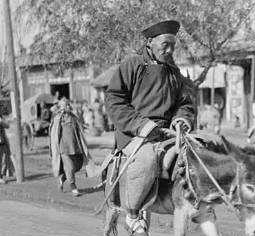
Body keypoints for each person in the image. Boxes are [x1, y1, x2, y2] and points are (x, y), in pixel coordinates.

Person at [105, 20, 197, 236]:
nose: (170, 50)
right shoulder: (132, 65)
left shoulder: (174, 72)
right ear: (149, 42)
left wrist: (181, 120)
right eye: (165, 44)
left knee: (200, 153)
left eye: (173, 45)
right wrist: (141, 124)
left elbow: (184, 103)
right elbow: (114, 99)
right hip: (134, 134)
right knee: (146, 160)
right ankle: (133, 213)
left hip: (166, 133)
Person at [49, 98, 94, 196]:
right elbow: (54, 135)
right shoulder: (58, 119)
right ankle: (73, 187)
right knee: (70, 167)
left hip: (76, 146)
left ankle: (63, 178)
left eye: (69, 105)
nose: (69, 106)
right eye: (66, 105)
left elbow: (79, 130)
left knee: (78, 165)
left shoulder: (74, 117)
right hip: (64, 148)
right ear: (61, 107)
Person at [0, 116, 14, 184]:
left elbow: (7, 126)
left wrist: (2, 121)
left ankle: (2, 176)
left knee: (4, 160)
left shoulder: (1, 119)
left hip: (2, 143)